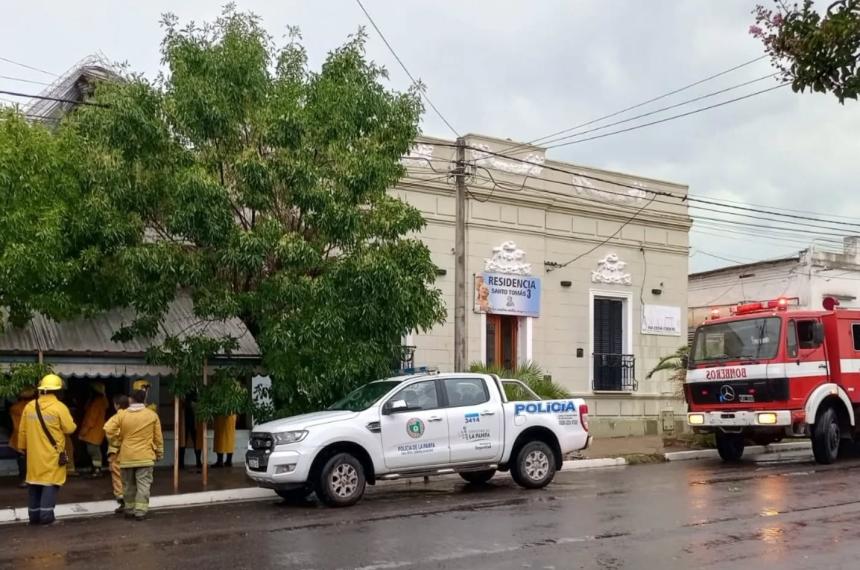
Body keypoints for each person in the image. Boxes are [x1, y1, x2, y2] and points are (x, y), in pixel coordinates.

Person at [18, 374, 77, 525]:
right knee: (50, 484)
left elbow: (22, 431)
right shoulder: (59, 407)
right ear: (57, 391)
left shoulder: (29, 406)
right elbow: (70, 429)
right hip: (52, 456)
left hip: (33, 456)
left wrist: (22, 448)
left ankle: (34, 517)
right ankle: (46, 518)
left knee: (35, 484)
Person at [104, 389, 163, 521]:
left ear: (131, 400)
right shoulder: (152, 415)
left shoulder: (122, 415)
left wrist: (118, 440)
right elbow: (158, 438)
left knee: (128, 485)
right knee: (143, 485)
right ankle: (140, 511)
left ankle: (129, 510)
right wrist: (159, 453)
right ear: (144, 399)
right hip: (145, 456)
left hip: (127, 456)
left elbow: (108, 428)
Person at [78, 382, 109, 477]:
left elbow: (91, 419)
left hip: (92, 431)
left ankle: (97, 469)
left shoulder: (97, 402)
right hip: (96, 430)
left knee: (93, 451)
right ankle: (96, 468)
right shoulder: (101, 401)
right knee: (94, 450)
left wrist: (84, 431)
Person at [106, 394, 129, 514]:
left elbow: (108, 430)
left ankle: (122, 501)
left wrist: (117, 442)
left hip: (117, 452)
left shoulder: (117, 417)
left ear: (117, 405)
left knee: (117, 476)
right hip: (130, 451)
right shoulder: (132, 416)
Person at [9, 388, 36, 488]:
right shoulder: (35, 407)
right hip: (34, 437)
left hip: (19, 437)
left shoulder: (15, 408)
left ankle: (24, 479)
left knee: (22, 460)